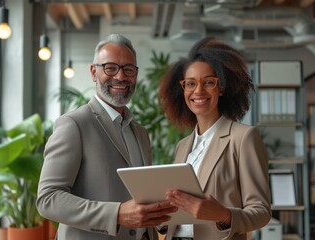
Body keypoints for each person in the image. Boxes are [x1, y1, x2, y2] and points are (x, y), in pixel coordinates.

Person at [36, 34, 177, 240]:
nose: (120, 76)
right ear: (94, 72)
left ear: (135, 75)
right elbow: (48, 200)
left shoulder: (140, 133)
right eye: (110, 68)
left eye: (128, 69)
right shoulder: (74, 125)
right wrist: (117, 214)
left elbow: (141, 197)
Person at [158, 37, 271, 240]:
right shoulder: (182, 146)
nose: (198, 91)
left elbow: (261, 211)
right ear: (182, 90)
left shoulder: (243, 137)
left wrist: (223, 215)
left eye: (208, 82)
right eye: (190, 83)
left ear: (222, 87)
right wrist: (161, 217)